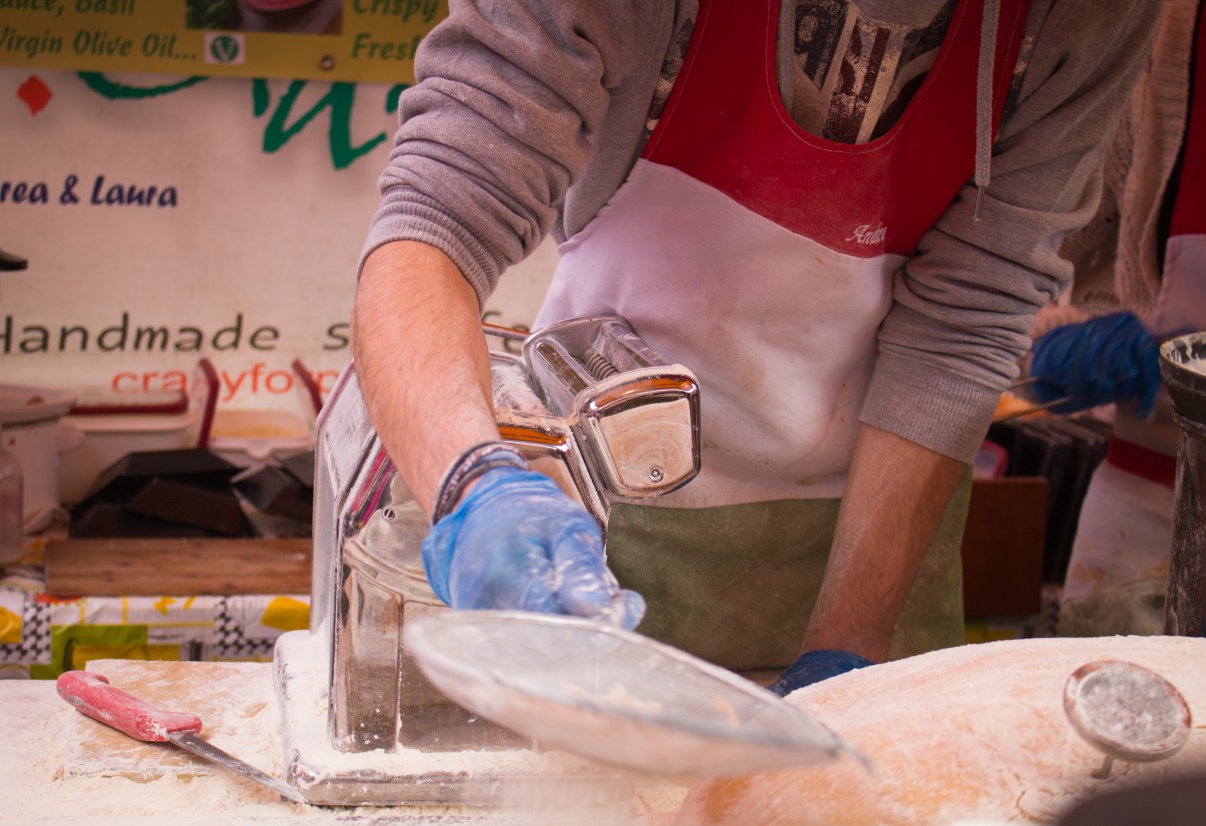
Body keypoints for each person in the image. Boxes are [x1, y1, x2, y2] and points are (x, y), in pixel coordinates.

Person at [349, 0, 1157, 693]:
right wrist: (473, 483)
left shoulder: (1086, 15)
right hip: (607, 528)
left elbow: (963, 324)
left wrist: (848, 651)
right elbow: (434, 227)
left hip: (880, 539)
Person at [1030, 0, 1206, 637]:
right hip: (1143, 475)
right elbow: (1080, 233)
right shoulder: (1163, 25)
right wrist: (1059, 317)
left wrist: (1168, 360)